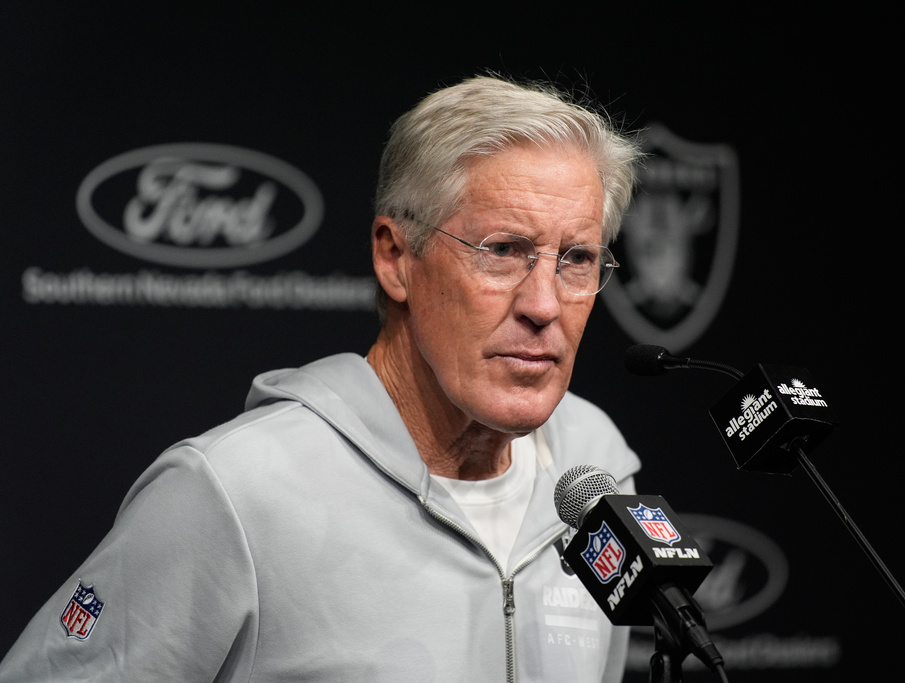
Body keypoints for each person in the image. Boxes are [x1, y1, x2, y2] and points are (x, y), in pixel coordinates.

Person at [0, 74, 644, 682]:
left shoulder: (596, 468)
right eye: (503, 251)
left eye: (577, 259)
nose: (544, 304)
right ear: (396, 258)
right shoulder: (233, 491)